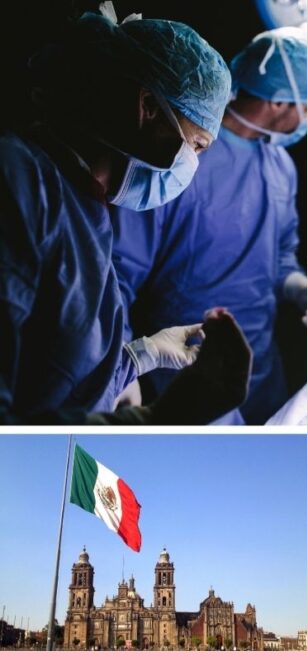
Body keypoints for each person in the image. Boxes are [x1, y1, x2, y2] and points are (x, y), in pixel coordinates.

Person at [0, 7, 251, 424]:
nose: (196, 164)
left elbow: (60, 372)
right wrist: (159, 419)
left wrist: (140, 357)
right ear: (148, 106)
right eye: (198, 145)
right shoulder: (19, 183)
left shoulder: (86, 206)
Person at [111, 27, 307, 424]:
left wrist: (299, 288)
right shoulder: (177, 160)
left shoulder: (281, 165)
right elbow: (120, 271)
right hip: (185, 360)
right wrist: (122, 365)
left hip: (262, 366)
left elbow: (280, 255)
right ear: (282, 100)